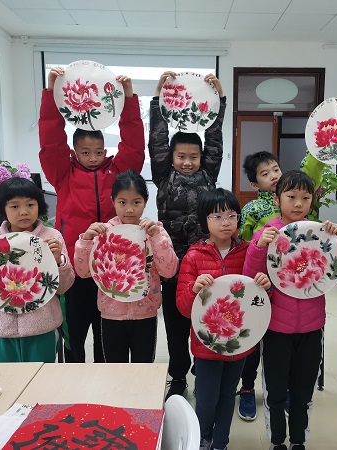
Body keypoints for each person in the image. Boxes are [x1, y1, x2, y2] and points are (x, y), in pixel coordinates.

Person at [39, 66, 145, 363]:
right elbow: (50, 141)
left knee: (104, 335)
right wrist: (50, 92)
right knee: (73, 335)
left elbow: (134, 146)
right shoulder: (63, 173)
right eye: (85, 152)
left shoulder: (118, 172)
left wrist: (129, 99)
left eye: (99, 152)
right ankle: (74, 379)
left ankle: (101, 381)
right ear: (74, 151)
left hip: (109, 268)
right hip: (73, 269)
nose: (93, 158)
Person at [243, 170, 337, 450]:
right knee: (276, 392)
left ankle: (299, 441)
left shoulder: (320, 233)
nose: (299, 203)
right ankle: (277, 442)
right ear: (277, 199)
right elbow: (250, 279)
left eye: (305, 197)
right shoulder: (266, 234)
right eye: (291, 197)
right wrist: (258, 246)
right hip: (276, 328)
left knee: (303, 393)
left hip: (312, 329)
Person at [149, 70, 226, 399]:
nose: (187, 162)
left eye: (193, 156)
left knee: (206, 315)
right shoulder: (163, 175)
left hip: (205, 262)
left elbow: (215, 139)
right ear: (171, 158)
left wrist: (219, 101)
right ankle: (178, 375)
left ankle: (204, 365)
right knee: (176, 323)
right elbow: (157, 139)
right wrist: (157, 98)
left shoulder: (209, 173)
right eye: (181, 156)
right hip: (171, 264)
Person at [176, 188, 271, 450]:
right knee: (207, 399)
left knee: (229, 394)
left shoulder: (249, 253)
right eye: (217, 217)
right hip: (206, 345)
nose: (225, 222)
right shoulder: (194, 256)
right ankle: (202, 438)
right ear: (204, 220)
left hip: (239, 345)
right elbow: (183, 308)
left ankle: (220, 442)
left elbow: (259, 302)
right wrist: (194, 289)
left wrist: (266, 286)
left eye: (231, 215)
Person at [0, 177, 75, 363]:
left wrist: (58, 261)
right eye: (14, 206)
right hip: (0, 328)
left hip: (41, 327)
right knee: (4, 377)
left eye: (30, 204)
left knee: (40, 376)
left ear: (39, 206)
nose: (24, 212)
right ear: (3, 209)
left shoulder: (51, 237)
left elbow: (64, 287)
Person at [73, 170, 178, 363]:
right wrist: (86, 241)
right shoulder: (103, 232)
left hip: (146, 313)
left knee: (143, 368)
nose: (129, 209)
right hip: (111, 314)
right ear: (113, 201)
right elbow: (84, 271)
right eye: (122, 202)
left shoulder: (155, 231)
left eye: (136, 202)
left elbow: (169, 270)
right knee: (115, 369)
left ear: (145, 202)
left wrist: (156, 238)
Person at [237, 150, 282, 421]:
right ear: (254, 184)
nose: (273, 176)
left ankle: (277, 390)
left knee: (277, 341)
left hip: (287, 283)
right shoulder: (251, 210)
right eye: (265, 174)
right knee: (252, 339)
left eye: (276, 169)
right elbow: (244, 246)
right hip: (256, 281)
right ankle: (246, 388)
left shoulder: (291, 202)